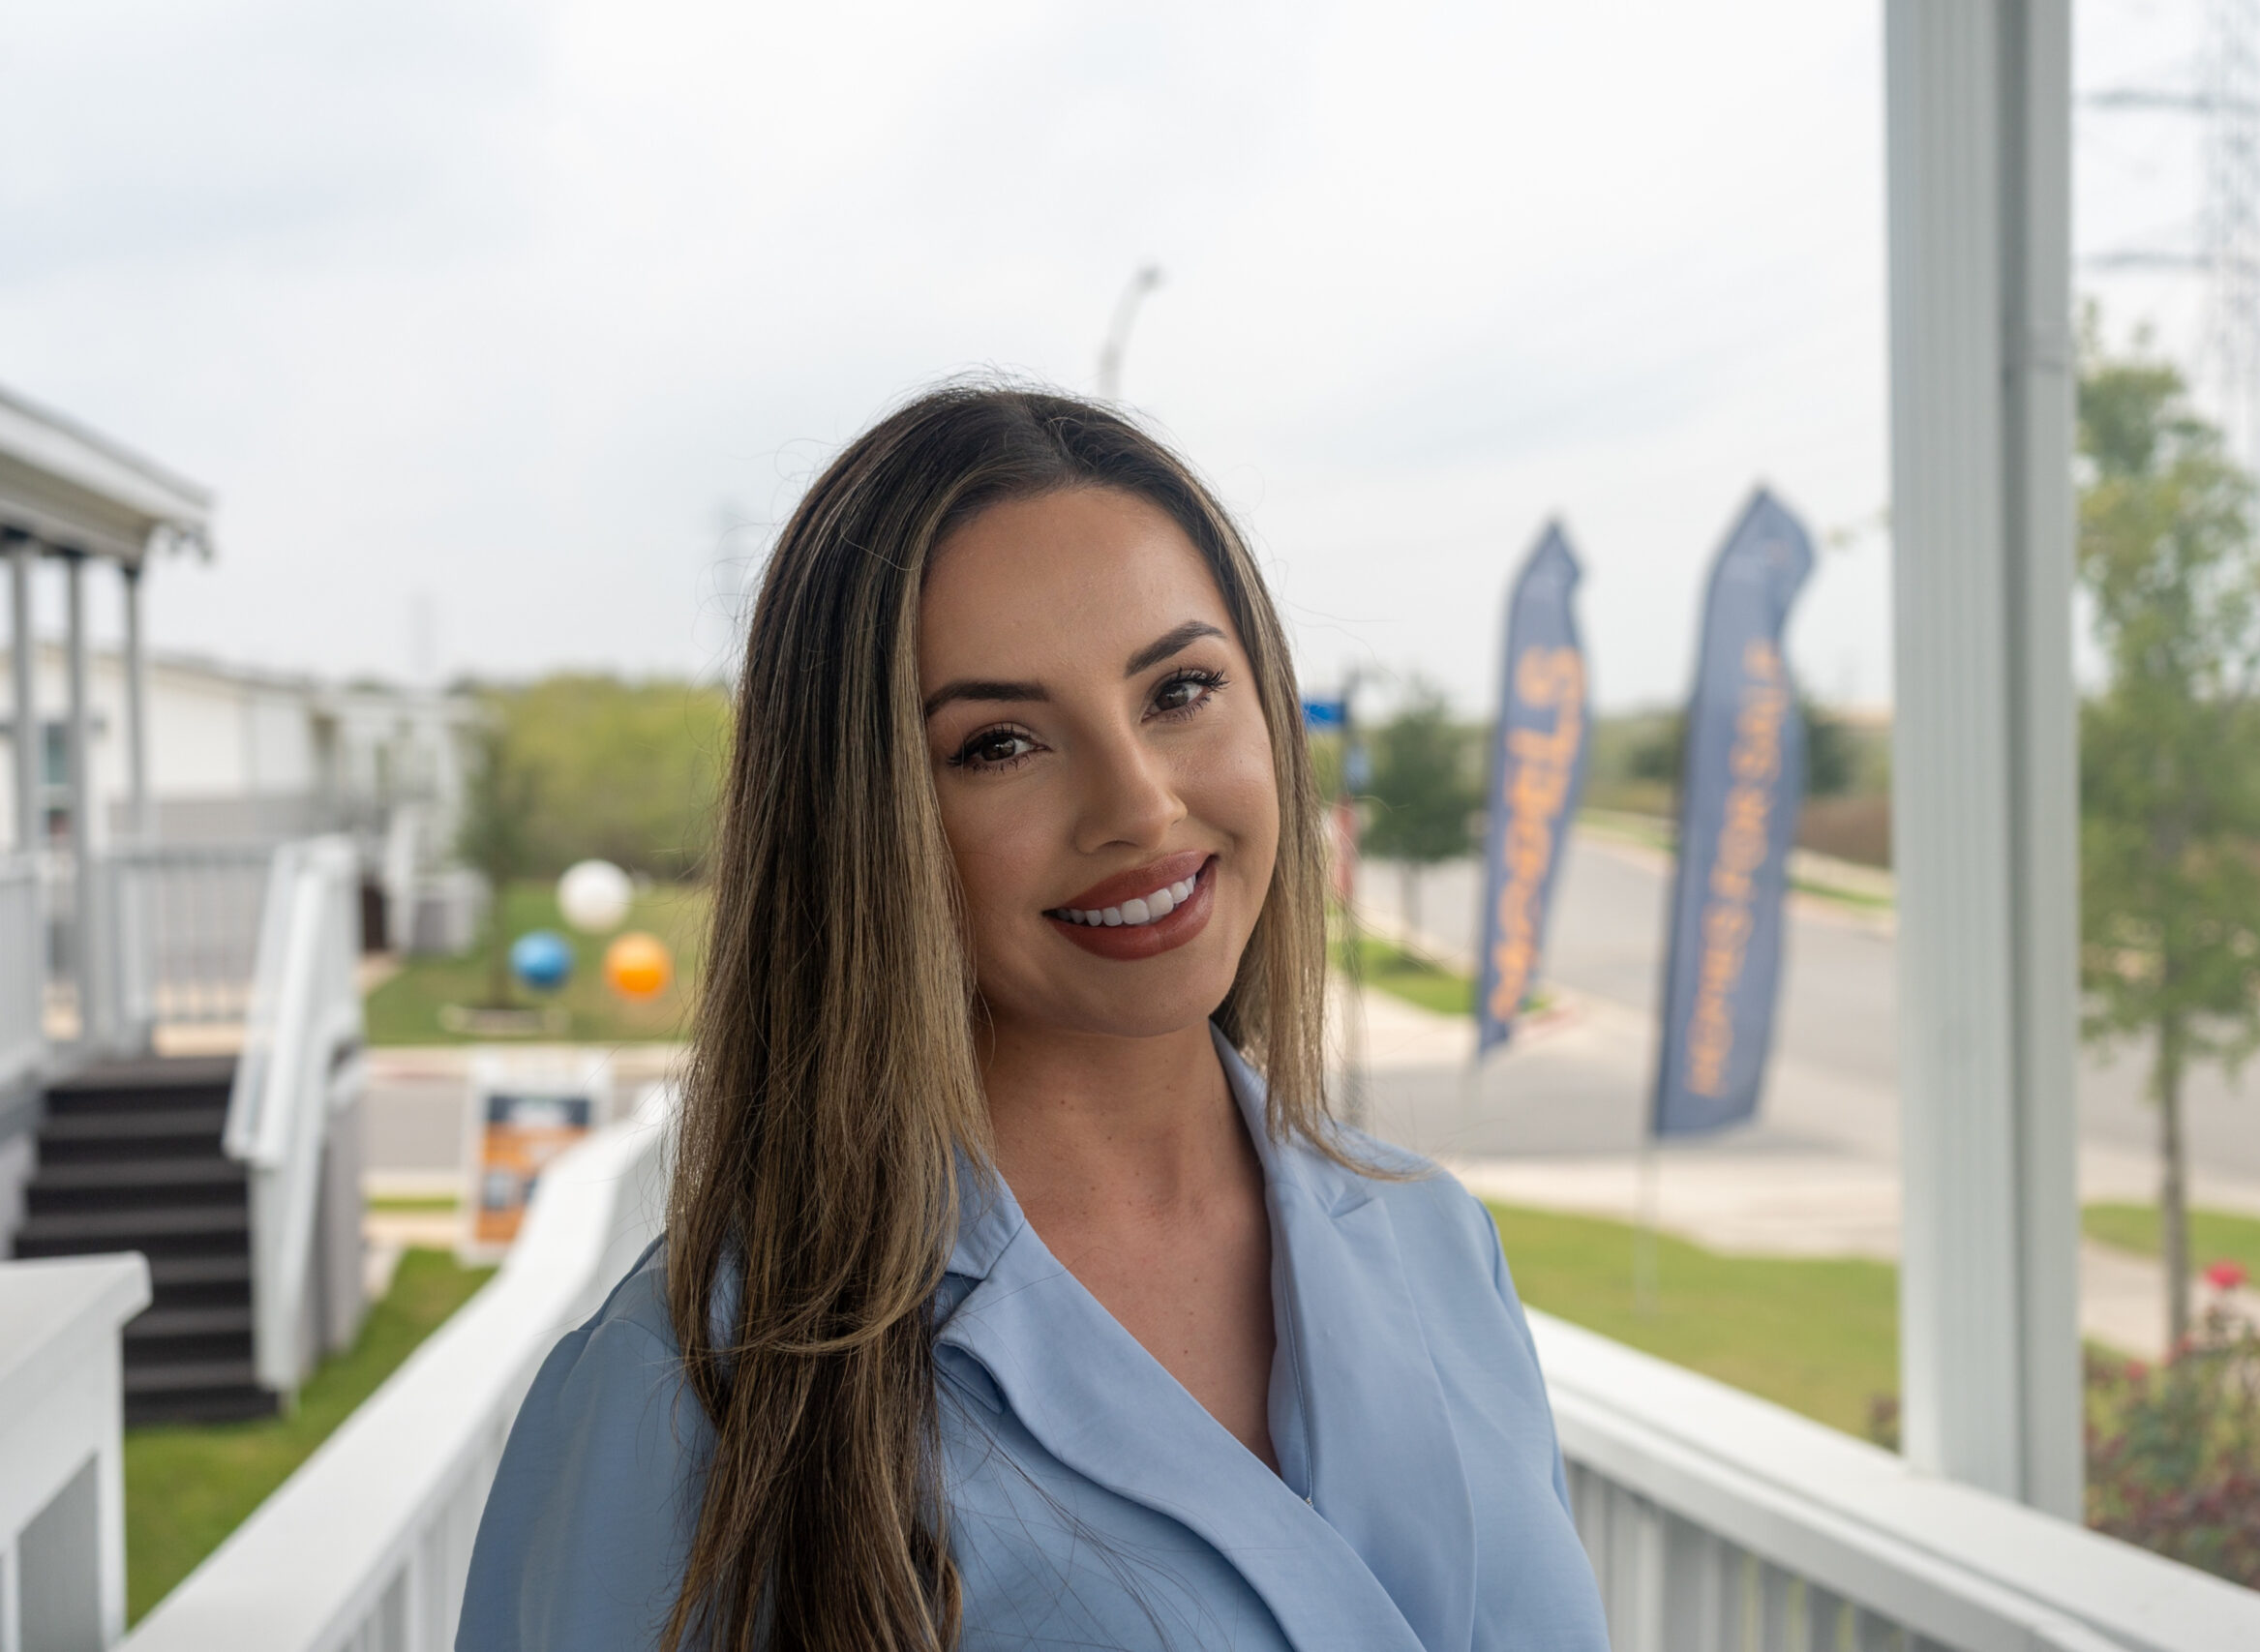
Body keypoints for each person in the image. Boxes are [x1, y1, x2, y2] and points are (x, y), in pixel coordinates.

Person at [456, 385, 1610, 1652]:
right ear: (861, 826)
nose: (1140, 808)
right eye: (1000, 742)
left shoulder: (1439, 1246)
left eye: (1179, 691)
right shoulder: (695, 1396)